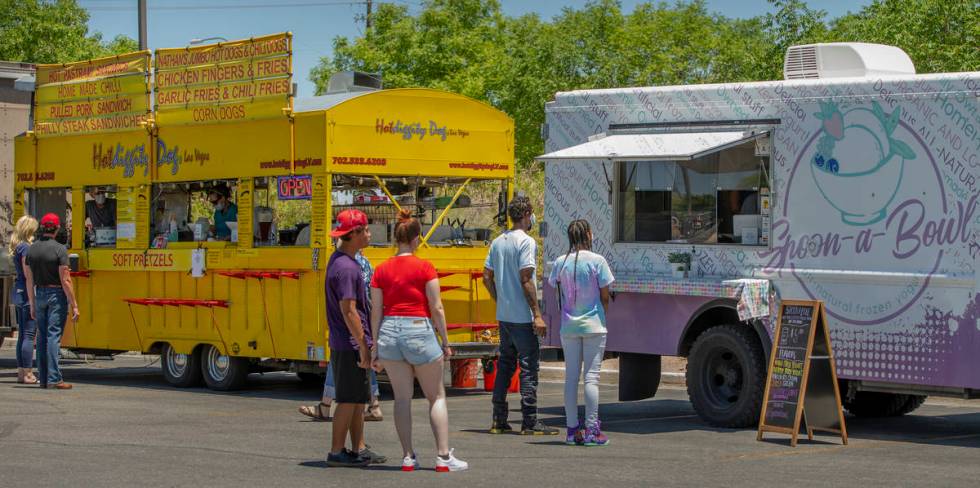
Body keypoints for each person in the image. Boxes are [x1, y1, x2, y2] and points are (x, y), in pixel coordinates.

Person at [370, 209, 468, 472]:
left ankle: (407, 456)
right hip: (418, 329)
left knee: (402, 398)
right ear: (416, 239)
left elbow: (376, 311)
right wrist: (445, 341)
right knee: (435, 396)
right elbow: (436, 307)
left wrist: (375, 346)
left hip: (390, 332)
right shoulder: (425, 267)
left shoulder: (381, 270)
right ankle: (443, 457)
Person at [482, 195, 558, 435]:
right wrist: (537, 313)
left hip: (504, 316)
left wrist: (500, 298)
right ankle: (529, 420)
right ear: (527, 214)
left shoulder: (498, 241)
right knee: (528, 367)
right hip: (522, 318)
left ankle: (499, 418)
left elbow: (486, 277)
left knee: (505, 365)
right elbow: (526, 278)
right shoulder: (526, 242)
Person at [325, 209, 385, 467]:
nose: (370, 234)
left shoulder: (340, 260)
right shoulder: (347, 268)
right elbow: (349, 310)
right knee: (348, 400)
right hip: (349, 343)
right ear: (355, 234)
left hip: (347, 341)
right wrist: (363, 344)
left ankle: (358, 448)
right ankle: (337, 451)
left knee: (358, 400)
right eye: (367, 230)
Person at [547, 220, 614, 446]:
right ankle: (592, 430)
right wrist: (603, 312)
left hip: (568, 327)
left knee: (571, 378)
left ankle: (571, 429)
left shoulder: (560, 262)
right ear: (588, 234)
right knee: (591, 378)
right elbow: (605, 294)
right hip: (594, 325)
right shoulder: (598, 261)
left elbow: (553, 285)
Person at [299, 248, 384, 422]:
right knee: (364, 361)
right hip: (365, 319)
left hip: (352, 322)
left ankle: (326, 406)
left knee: (341, 361)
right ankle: (373, 405)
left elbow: (348, 304)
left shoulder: (347, 265)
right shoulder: (365, 263)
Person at [24, 213, 79, 390]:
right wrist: (74, 304)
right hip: (56, 294)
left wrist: (31, 303)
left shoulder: (31, 249)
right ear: (56, 229)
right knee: (53, 336)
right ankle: (55, 378)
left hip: (39, 293)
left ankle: (44, 378)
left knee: (41, 337)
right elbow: (66, 279)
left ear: (42, 228)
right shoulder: (60, 249)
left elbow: (29, 279)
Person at [10, 216, 39, 384]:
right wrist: (33, 300)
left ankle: (22, 372)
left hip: (17, 291)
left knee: (22, 335)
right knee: (29, 335)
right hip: (26, 293)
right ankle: (28, 373)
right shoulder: (26, 249)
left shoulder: (17, 247)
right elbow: (29, 277)